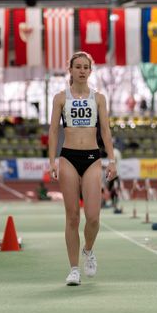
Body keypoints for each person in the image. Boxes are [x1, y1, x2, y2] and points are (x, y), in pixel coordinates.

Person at [48, 51, 117, 287]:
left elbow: (105, 131)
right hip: (68, 157)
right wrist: (51, 160)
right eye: (77, 66)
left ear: (90, 70)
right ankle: (74, 269)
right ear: (70, 70)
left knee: (94, 218)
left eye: (85, 67)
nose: (81, 70)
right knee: (72, 217)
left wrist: (112, 160)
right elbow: (54, 131)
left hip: (92, 157)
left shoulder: (99, 98)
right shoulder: (60, 98)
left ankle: (88, 250)